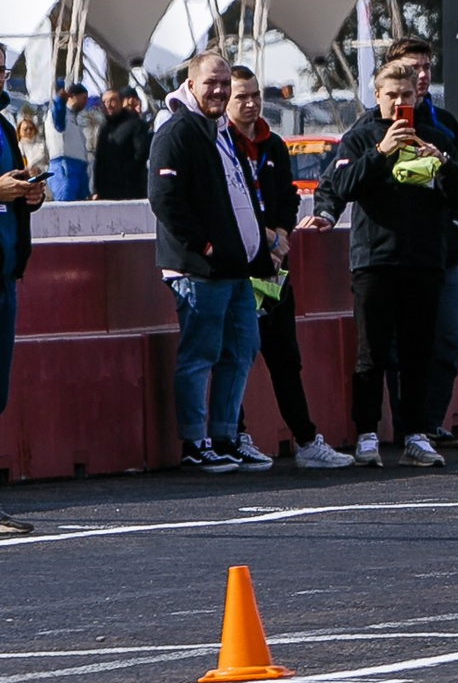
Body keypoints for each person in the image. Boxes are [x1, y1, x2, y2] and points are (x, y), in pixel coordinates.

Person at [307, 61, 458, 468]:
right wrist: (381, 153)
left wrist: (443, 163)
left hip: (424, 259)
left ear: (418, 97)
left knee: (420, 352)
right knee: (372, 354)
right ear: (377, 97)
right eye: (392, 96)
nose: (400, 104)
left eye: (407, 96)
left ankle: (415, 433)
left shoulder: (437, 136)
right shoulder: (360, 138)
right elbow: (343, 187)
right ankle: (366, 433)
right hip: (374, 260)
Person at [149, 51, 273, 473]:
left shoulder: (219, 130)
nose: (219, 91)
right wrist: (203, 247)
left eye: (224, 83)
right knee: (200, 354)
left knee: (241, 350)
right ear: (191, 83)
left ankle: (225, 435)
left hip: (236, 269)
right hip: (200, 270)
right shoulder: (177, 130)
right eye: (211, 83)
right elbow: (165, 198)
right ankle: (195, 441)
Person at [226, 65, 353, 470]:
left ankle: (305, 439)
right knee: (237, 357)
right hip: (235, 267)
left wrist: (280, 236)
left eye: (254, 96)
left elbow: (289, 197)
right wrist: (260, 235)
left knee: (285, 357)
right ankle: (235, 434)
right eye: (240, 97)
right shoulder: (220, 144)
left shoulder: (275, 146)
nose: (249, 104)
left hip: (275, 270)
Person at [384, 36, 458, 445]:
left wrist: (457, 227)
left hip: (439, 257)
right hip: (390, 258)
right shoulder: (372, 127)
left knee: (447, 339)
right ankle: (403, 425)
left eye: (425, 68)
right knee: (393, 349)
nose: (420, 77)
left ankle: (429, 421)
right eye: (410, 69)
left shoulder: (444, 125)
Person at [0, 51, 45, 532]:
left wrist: (29, 193)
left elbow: (11, 193)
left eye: (4, 70)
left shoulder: (5, 127)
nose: (2, 79)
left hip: (7, 273)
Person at [90, 89, 151, 200]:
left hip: (130, 191)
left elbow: (141, 155)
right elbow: (99, 161)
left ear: (121, 102)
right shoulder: (104, 130)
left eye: (112, 101)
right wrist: (96, 189)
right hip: (106, 192)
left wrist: (123, 175)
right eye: (105, 102)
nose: (108, 105)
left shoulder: (135, 124)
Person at [46, 81, 92, 202]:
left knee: (81, 208)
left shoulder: (75, 118)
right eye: (83, 98)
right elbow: (59, 121)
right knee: (65, 206)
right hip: (65, 166)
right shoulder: (59, 112)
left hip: (79, 168)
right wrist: (59, 100)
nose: (85, 102)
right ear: (72, 96)